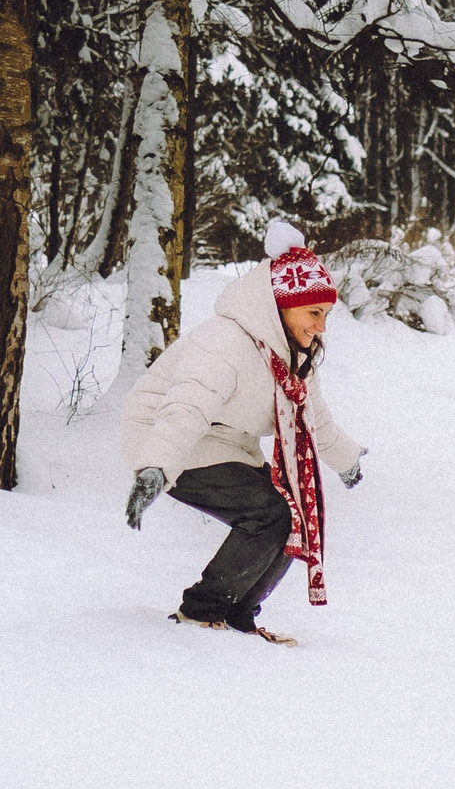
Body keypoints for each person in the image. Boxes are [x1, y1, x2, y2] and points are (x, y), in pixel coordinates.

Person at [120, 222, 365, 643]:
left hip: (225, 443)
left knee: (293, 515)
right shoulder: (226, 342)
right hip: (166, 437)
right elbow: (187, 405)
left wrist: (348, 460)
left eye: (325, 315)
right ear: (279, 306)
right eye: (314, 313)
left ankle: (236, 615)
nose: (321, 327)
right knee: (267, 513)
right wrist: (155, 465)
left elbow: (314, 419)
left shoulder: (293, 356)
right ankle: (203, 609)